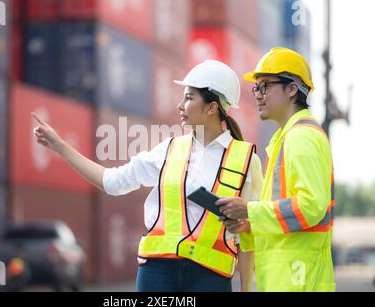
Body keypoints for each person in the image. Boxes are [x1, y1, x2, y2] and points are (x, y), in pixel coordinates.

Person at [32, 60, 263, 292]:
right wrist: (59, 145)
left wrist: (246, 290)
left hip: (210, 278)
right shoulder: (169, 149)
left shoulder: (246, 160)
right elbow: (112, 182)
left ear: (212, 108)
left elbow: (250, 233)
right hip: (157, 272)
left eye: (189, 98)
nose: (180, 105)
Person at [217, 47, 335, 291]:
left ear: (292, 89)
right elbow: (288, 213)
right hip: (290, 276)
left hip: (299, 278)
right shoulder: (287, 138)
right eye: (256, 87)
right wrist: (249, 223)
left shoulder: (301, 137)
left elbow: (311, 205)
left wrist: (250, 210)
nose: (258, 95)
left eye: (265, 86)